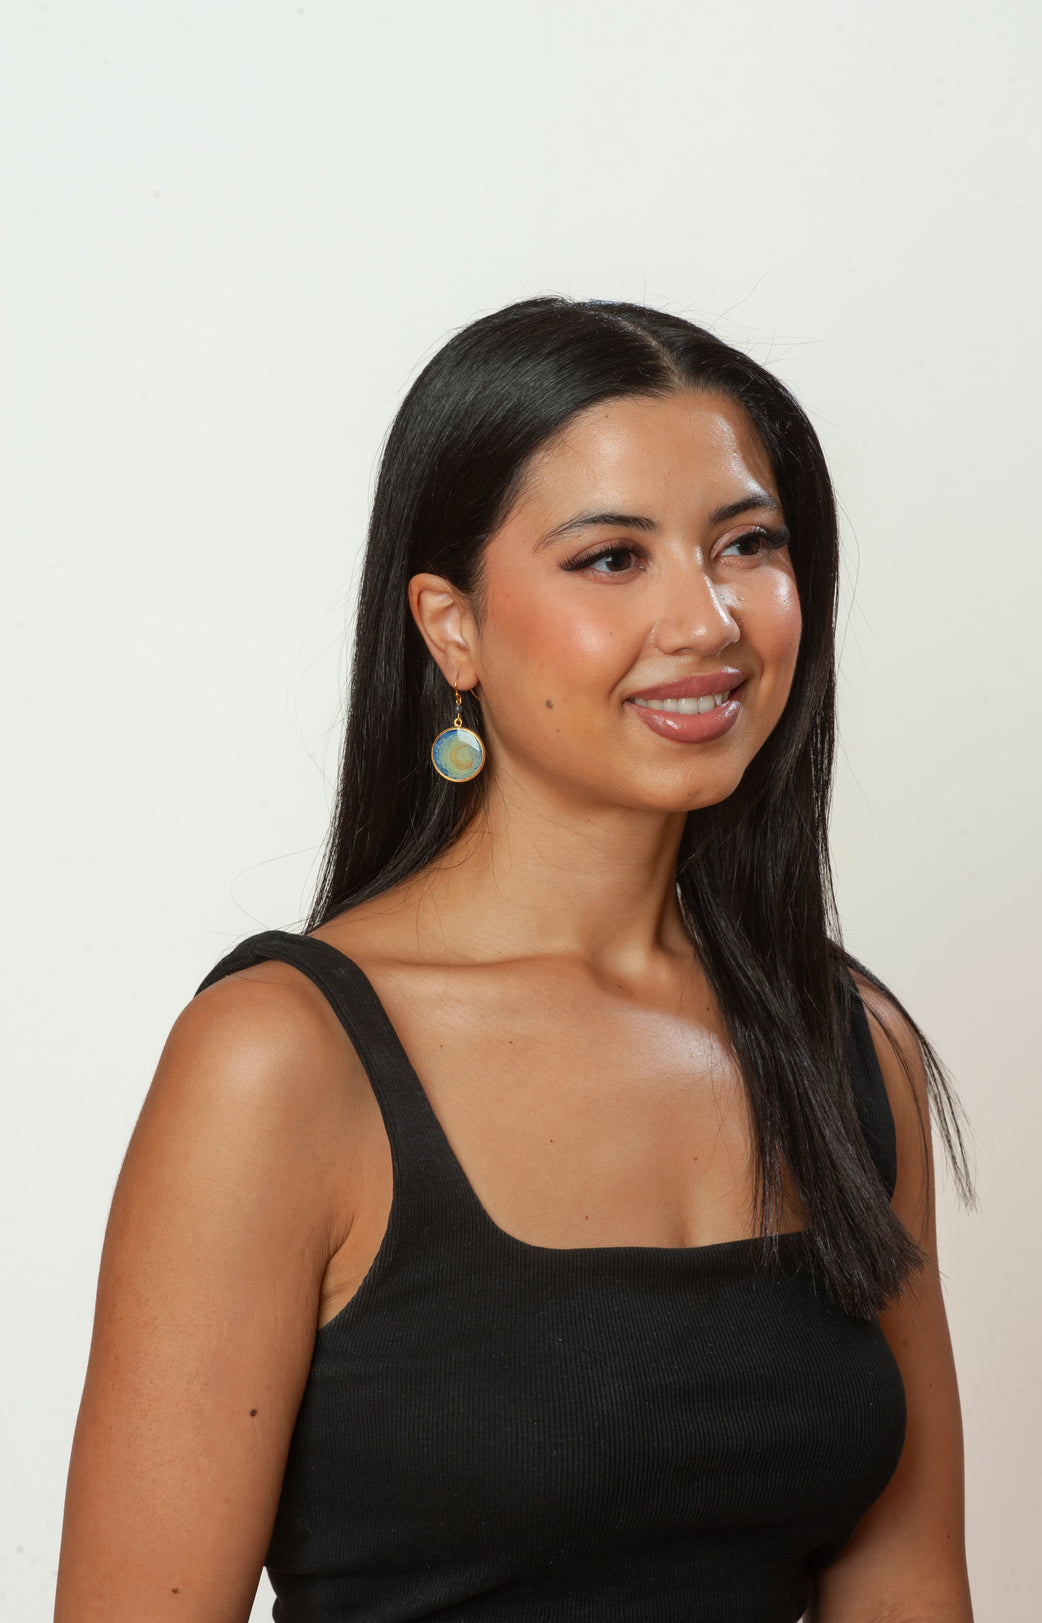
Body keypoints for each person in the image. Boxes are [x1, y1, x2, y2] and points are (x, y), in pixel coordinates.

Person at [55, 297, 975, 1623]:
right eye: (612, 559)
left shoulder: (846, 1042)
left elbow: (907, 1592)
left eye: (749, 544)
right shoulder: (282, 1061)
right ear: (453, 629)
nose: (708, 618)